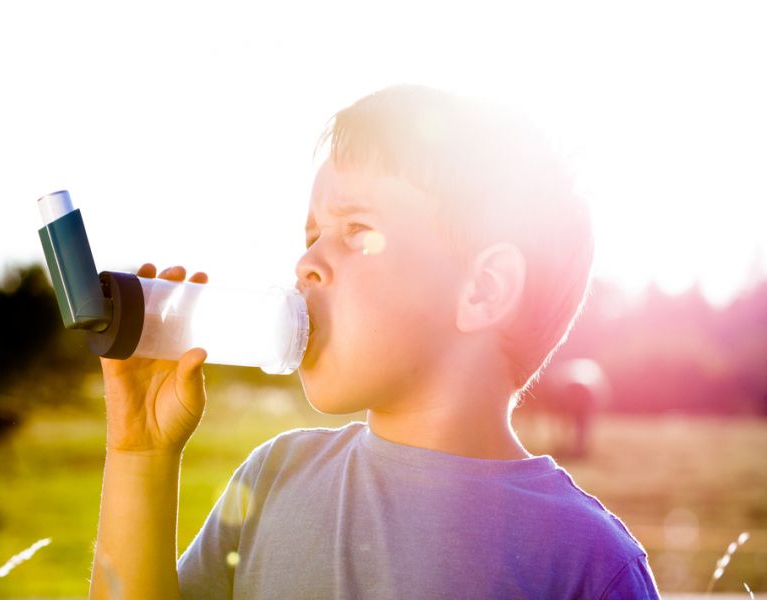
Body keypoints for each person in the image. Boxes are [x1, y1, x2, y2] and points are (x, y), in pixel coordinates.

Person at [88, 85, 660, 599]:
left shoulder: (588, 564)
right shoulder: (274, 478)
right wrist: (140, 456)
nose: (306, 261)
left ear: (482, 290)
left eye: (356, 230)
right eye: (310, 235)